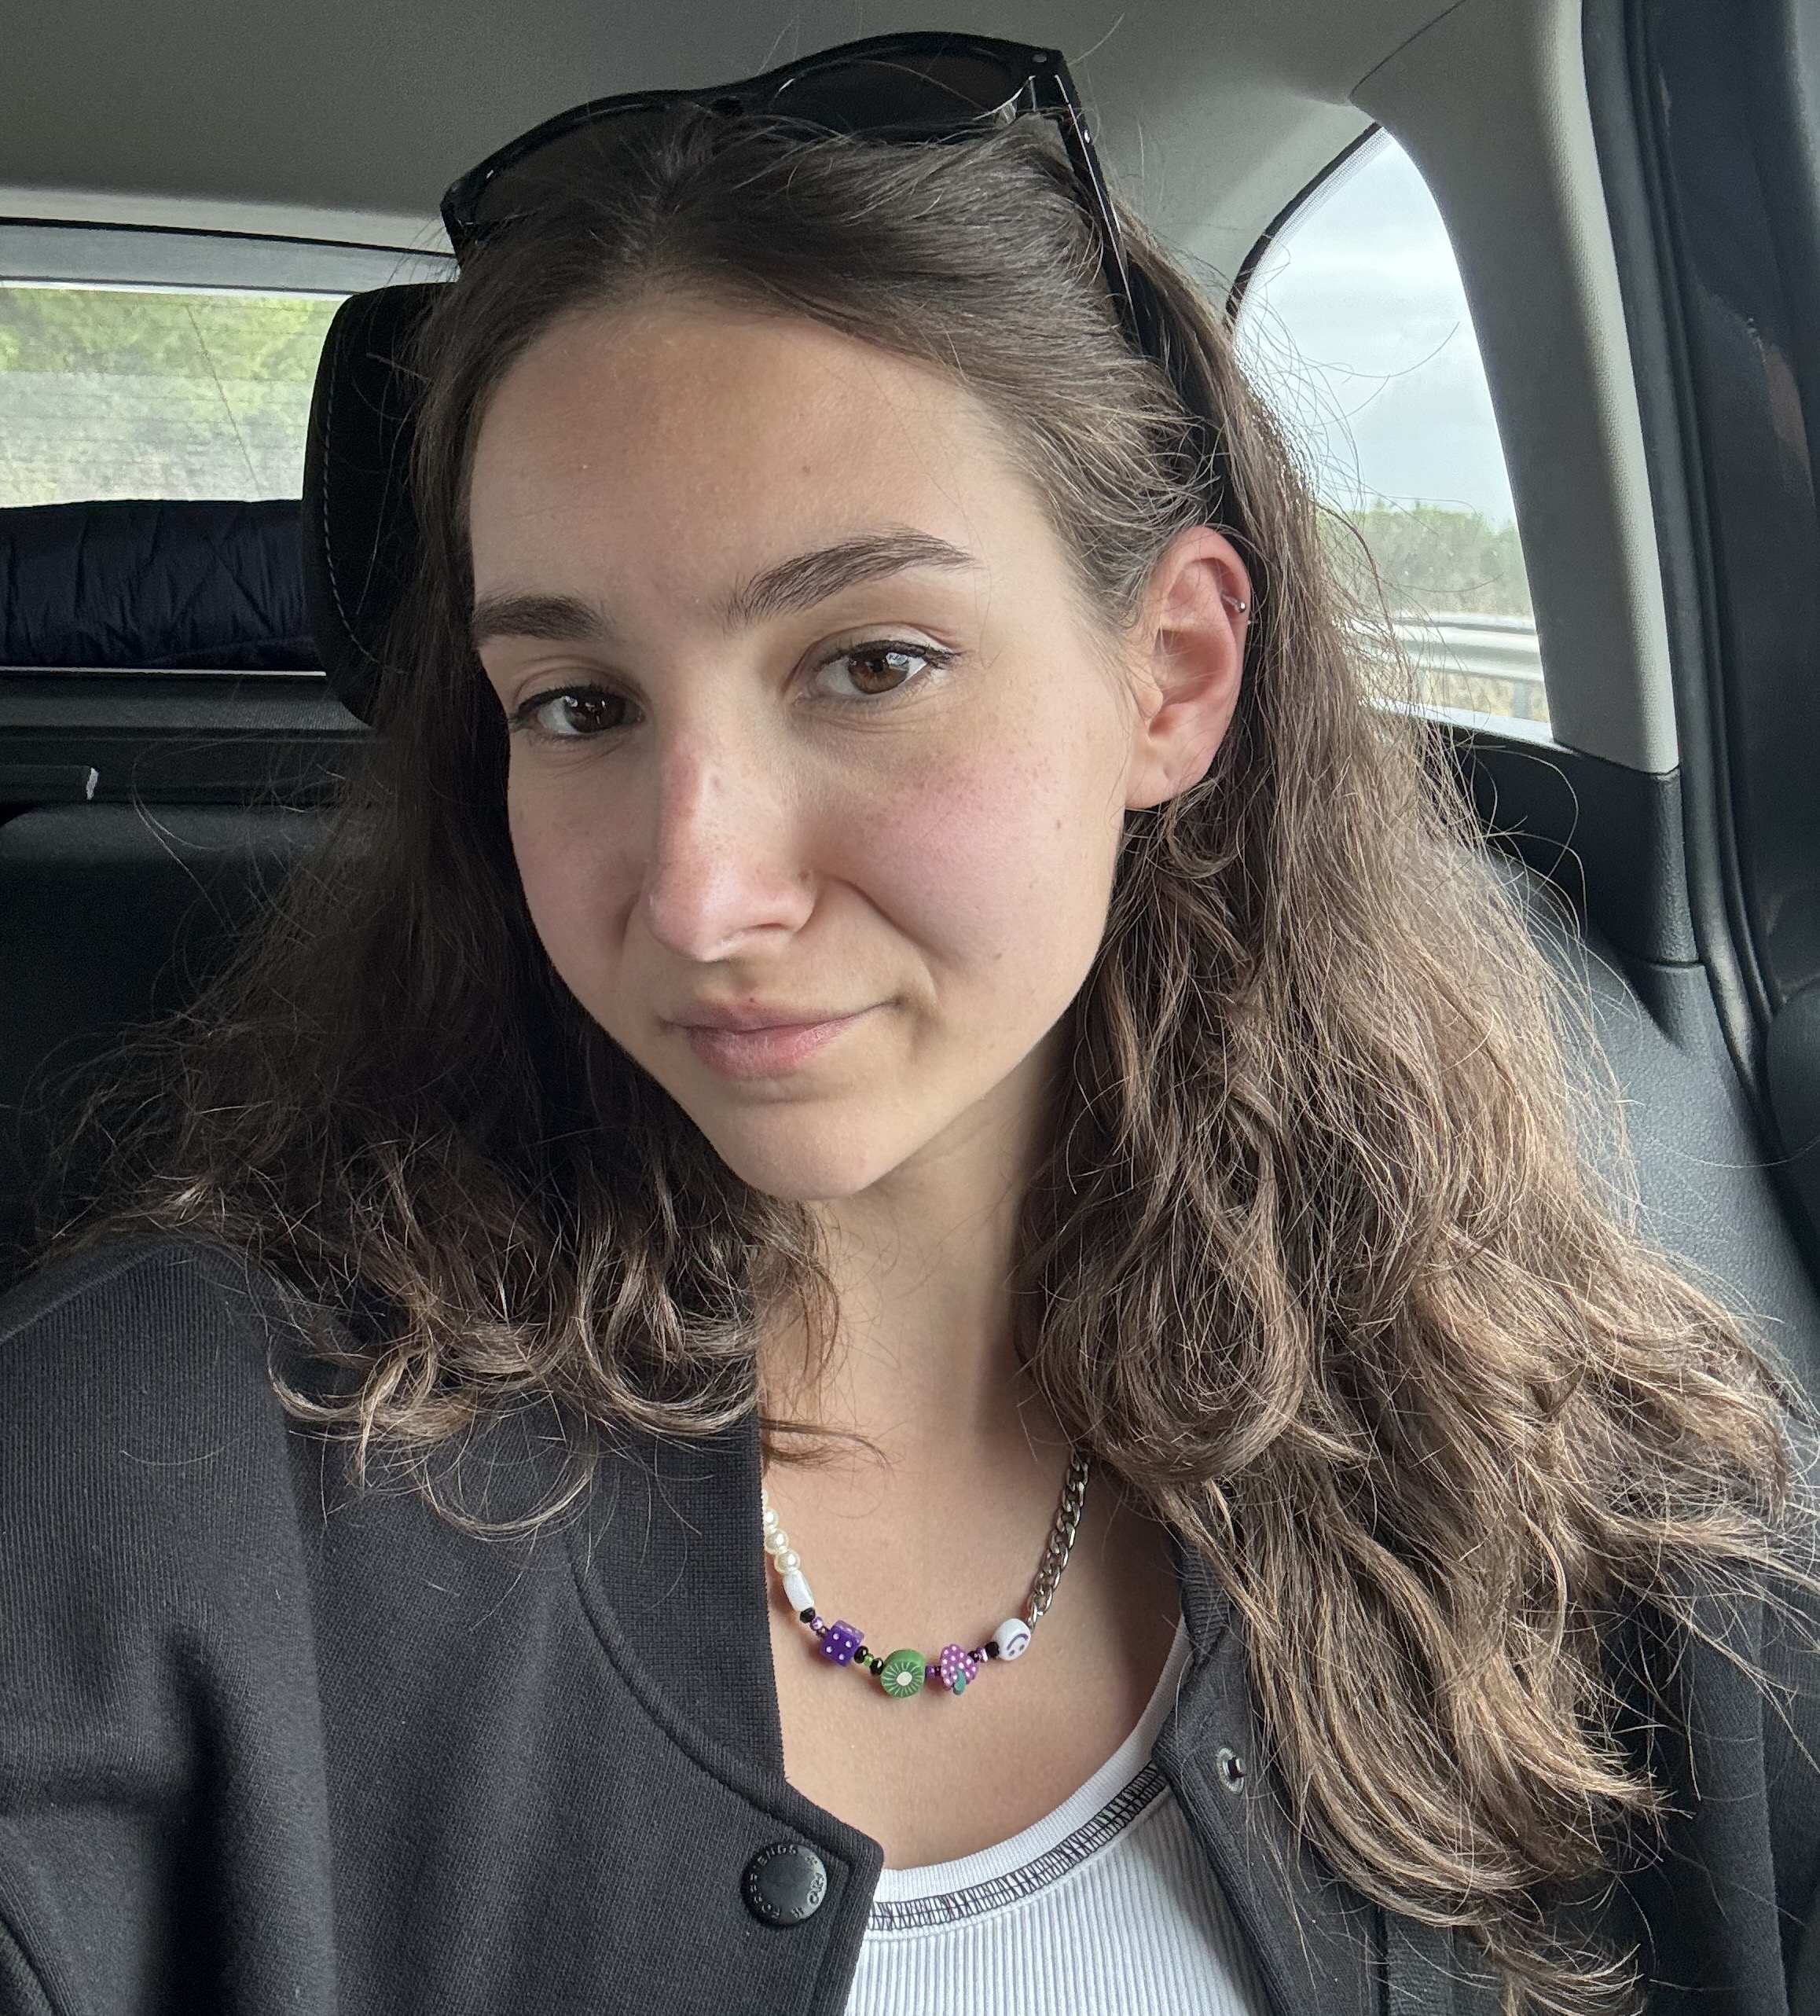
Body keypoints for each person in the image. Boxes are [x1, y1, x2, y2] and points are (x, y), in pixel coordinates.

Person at [1, 34, 1814, 2016]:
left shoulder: (1578, 1481)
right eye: (578, 704)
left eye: (869, 662)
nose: (700, 892)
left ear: (1172, 673)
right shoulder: (163, 1459)